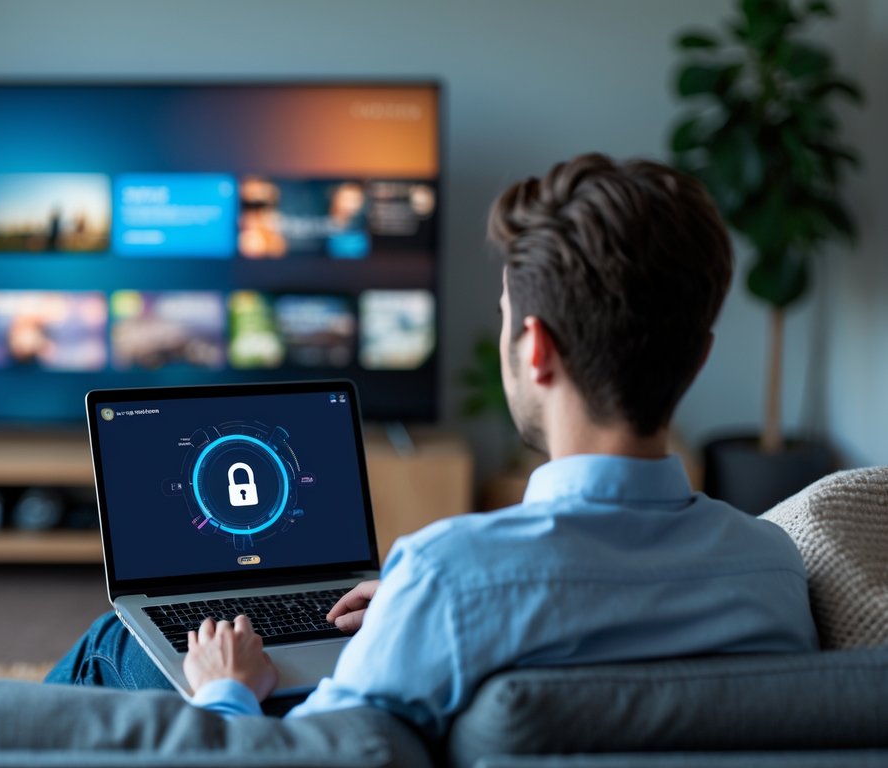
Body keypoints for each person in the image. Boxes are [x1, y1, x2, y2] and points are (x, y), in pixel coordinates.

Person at [47, 153, 820, 737]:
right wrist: (417, 606)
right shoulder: (773, 567)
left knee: (113, 642)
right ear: (701, 353)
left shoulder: (448, 576)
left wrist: (228, 694)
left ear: (536, 348)